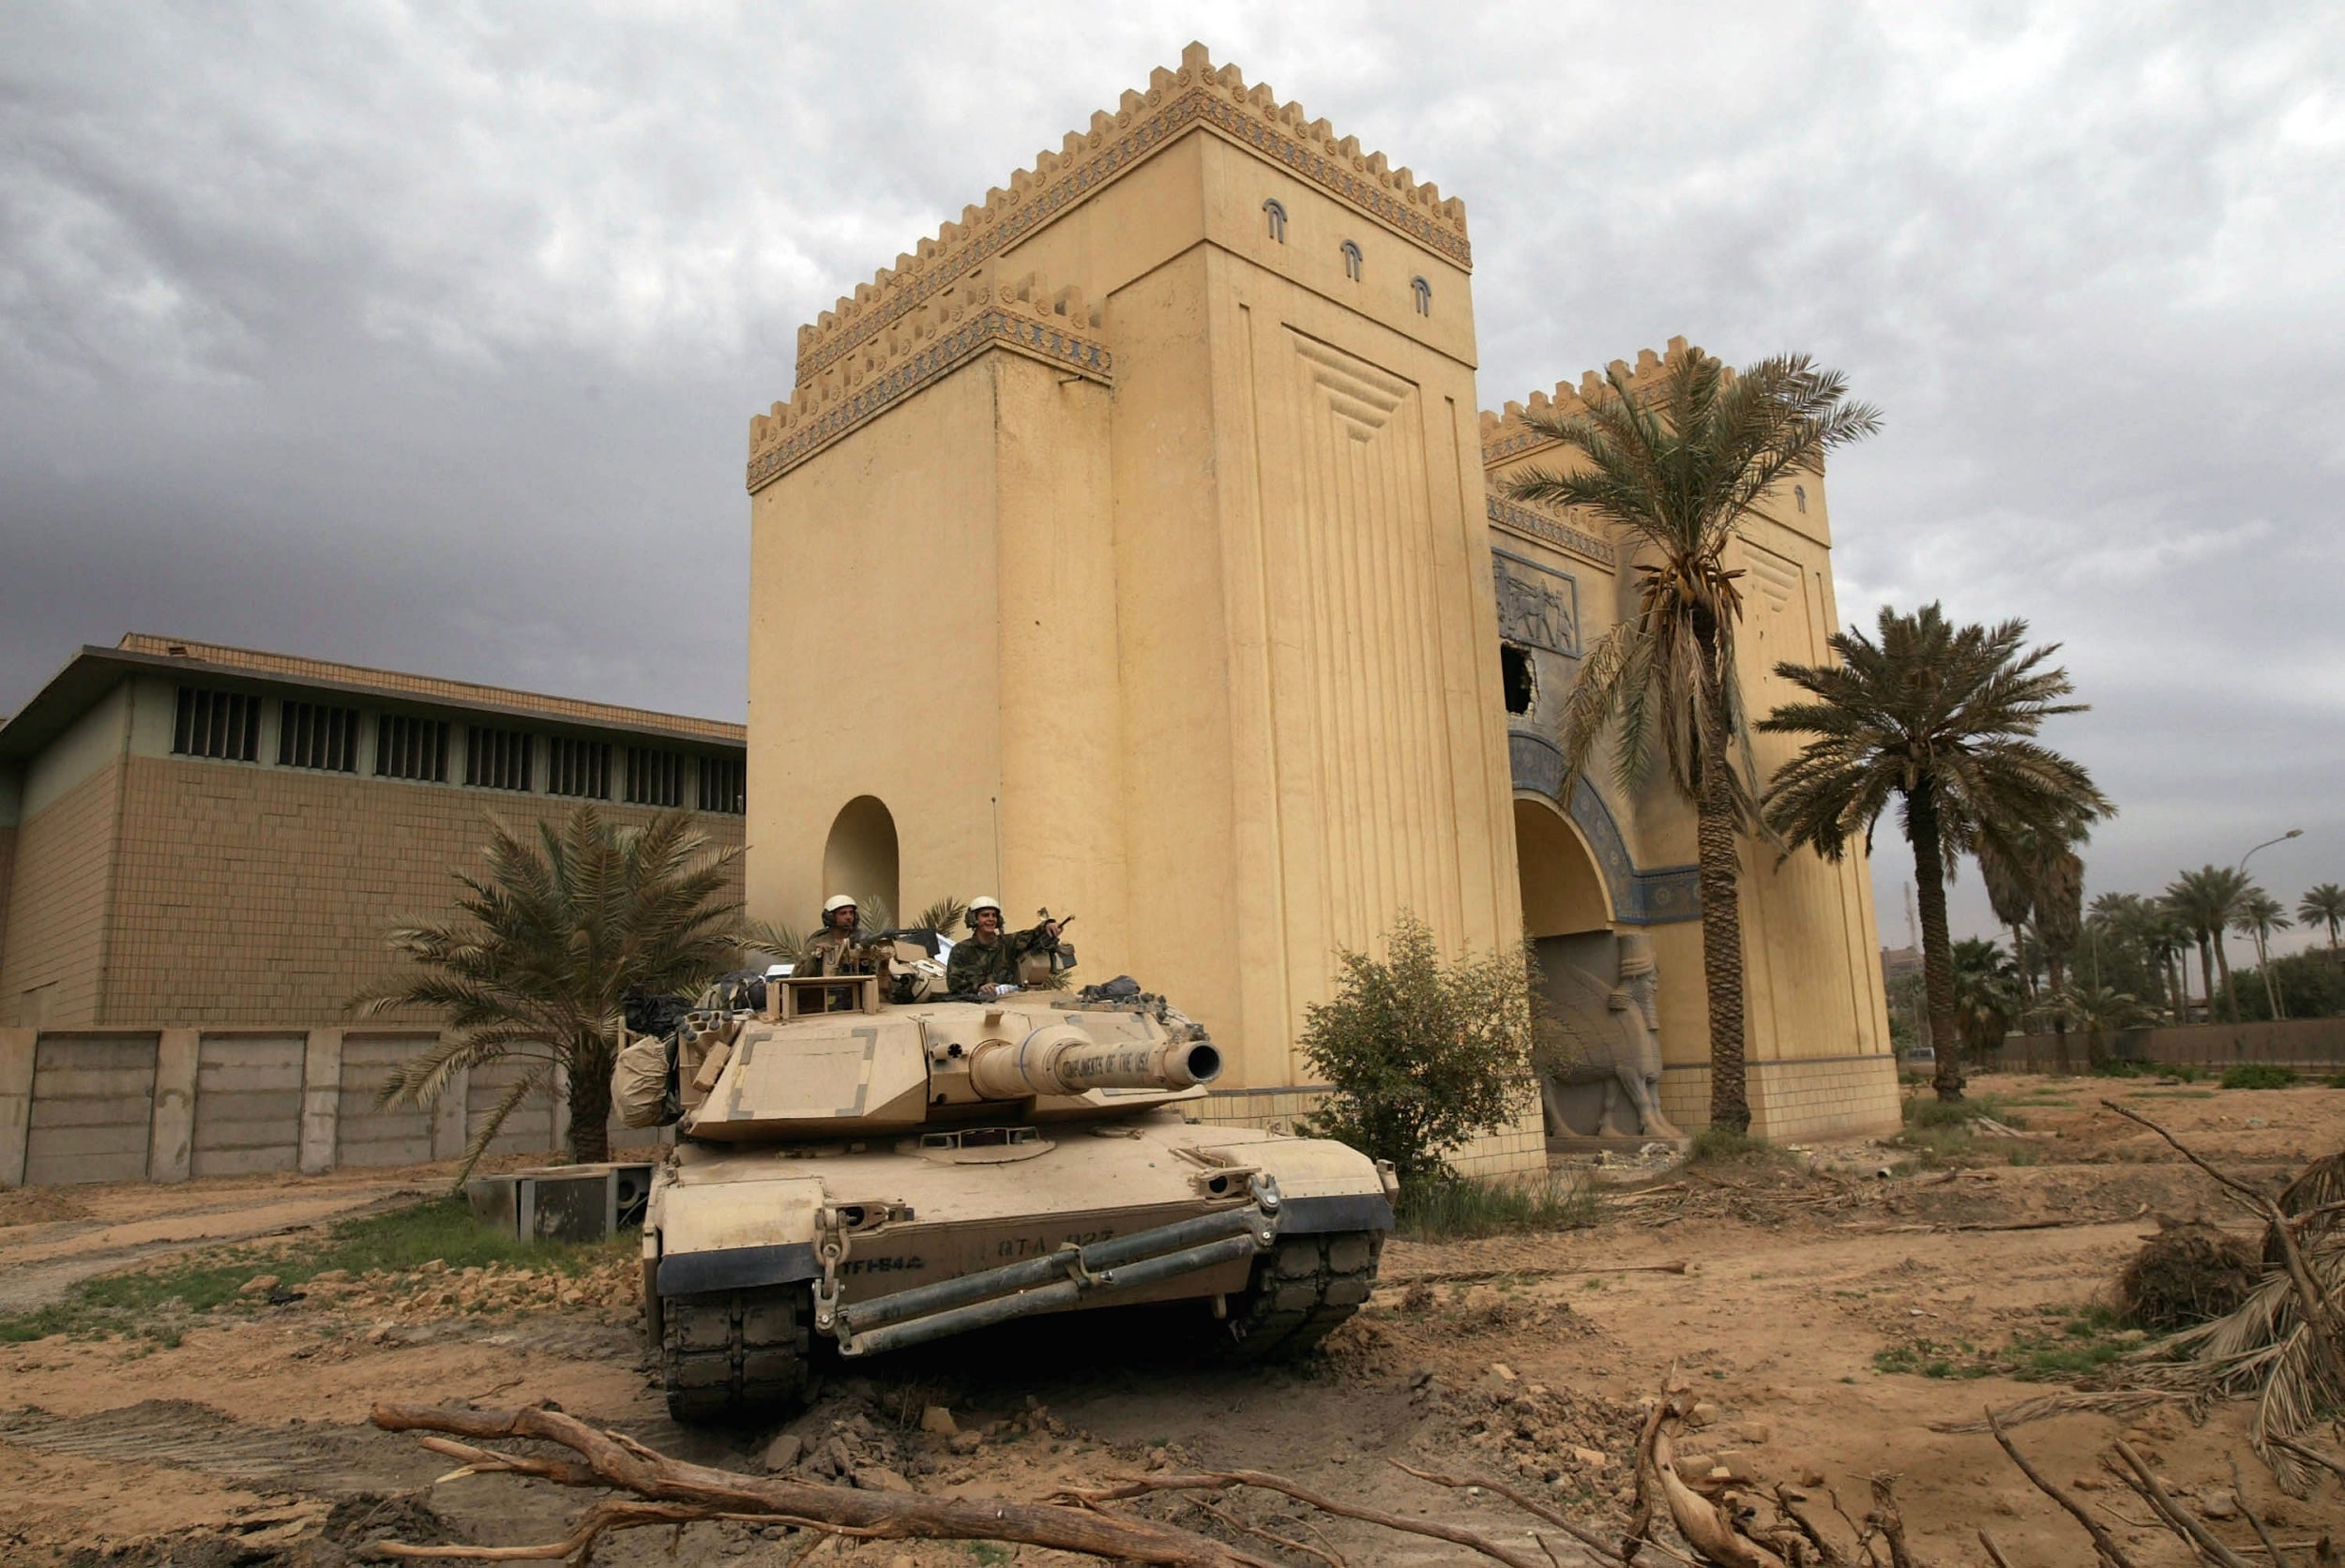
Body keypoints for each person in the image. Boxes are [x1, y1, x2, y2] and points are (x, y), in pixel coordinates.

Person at [946, 897, 1063, 997]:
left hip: (1008, 1002)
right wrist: (979, 988)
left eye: (994, 915)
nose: (991, 919)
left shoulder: (1008, 943)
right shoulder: (961, 950)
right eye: (985, 915)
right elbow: (954, 983)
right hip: (973, 1007)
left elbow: (1032, 936)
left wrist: (1048, 925)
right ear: (973, 919)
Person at [796, 894, 890, 984]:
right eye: (843, 913)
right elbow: (797, 976)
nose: (849, 917)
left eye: (851, 913)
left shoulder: (864, 940)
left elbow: (880, 975)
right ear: (831, 917)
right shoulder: (817, 942)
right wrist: (815, 957)